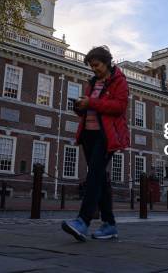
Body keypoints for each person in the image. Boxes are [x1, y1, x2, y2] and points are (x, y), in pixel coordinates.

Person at [61, 46, 130, 241]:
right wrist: (80, 107)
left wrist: (91, 103)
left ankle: (82, 221)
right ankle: (109, 225)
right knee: (99, 178)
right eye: (91, 66)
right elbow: (91, 108)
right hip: (88, 135)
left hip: (106, 136)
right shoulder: (92, 82)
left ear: (107, 62)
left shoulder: (119, 81)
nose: (94, 69)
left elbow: (119, 107)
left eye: (97, 65)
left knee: (93, 176)